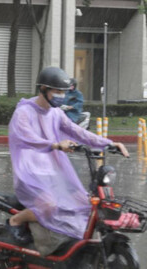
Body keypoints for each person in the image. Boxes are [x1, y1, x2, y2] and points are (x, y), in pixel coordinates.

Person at [7, 66, 129, 248]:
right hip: (30, 171)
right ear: (43, 89)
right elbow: (26, 137)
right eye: (57, 91)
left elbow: (77, 131)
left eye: (63, 92)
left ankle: (72, 247)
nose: (61, 96)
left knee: (84, 203)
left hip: (52, 169)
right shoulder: (23, 112)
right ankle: (16, 220)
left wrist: (108, 143)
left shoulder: (55, 113)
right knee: (50, 206)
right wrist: (55, 145)